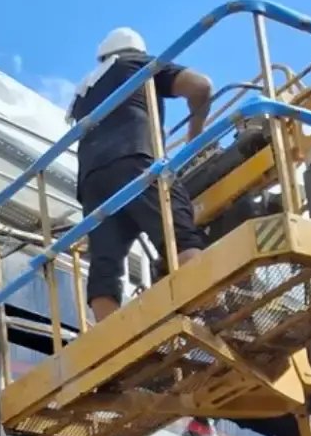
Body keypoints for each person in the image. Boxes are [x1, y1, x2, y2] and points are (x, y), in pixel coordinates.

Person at [68, 27, 213, 323]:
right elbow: (201, 87)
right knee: (179, 233)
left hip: (92, 180)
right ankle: (211, 309)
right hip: (134, 161)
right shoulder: (135, 65)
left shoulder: (84, 93)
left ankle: (109, 342)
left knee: (105, 265)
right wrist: (195, 138)